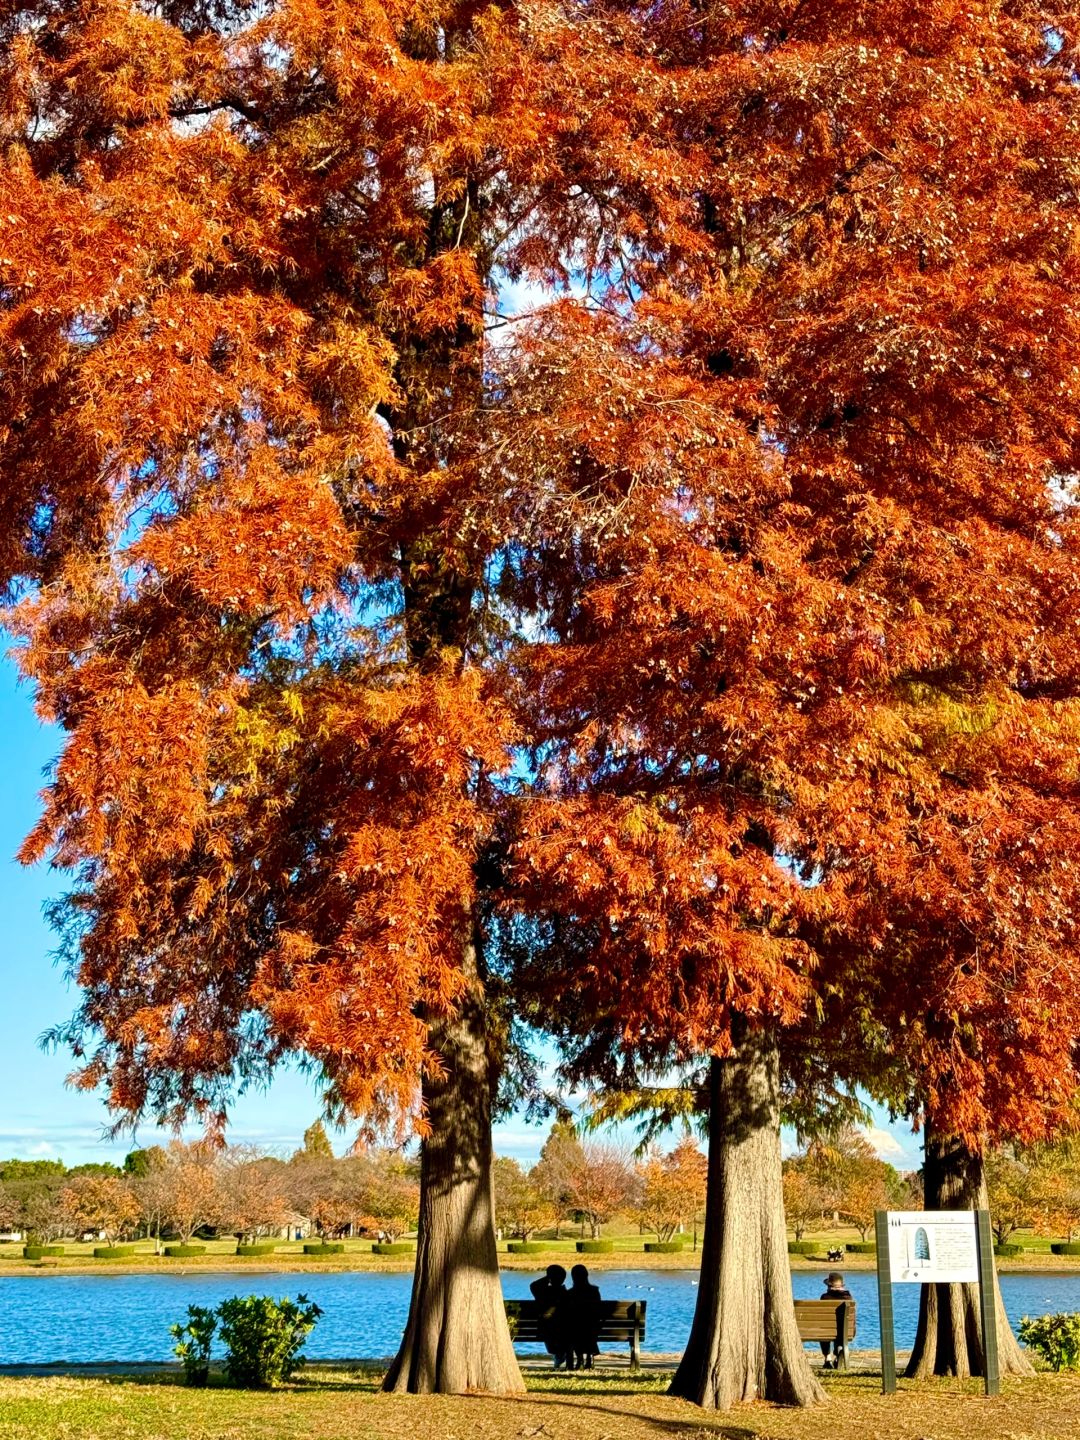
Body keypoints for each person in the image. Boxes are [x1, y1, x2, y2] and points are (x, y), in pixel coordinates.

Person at [563, 1263, 603, 1371]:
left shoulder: (570, 1293)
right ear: (586, 1275)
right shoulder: (594, 1291)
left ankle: (580, 1358)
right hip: (592, 1329)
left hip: (575, 1330)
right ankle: (589, 1358)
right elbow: (598, 1311)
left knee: (574, 1327)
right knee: (588, 1325)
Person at [530, 1264, 569, 1368]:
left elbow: (533, 1285)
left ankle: (558, 1354)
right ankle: (560, 1353)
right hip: (566, 1331)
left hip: (546, 1330)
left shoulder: (543, 1293)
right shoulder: (567, 1294)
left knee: (548, 1326)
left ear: (550, 1278)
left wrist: (548, 1278)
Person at [819, 1271, 855, 1369]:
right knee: (839, 1327)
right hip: (846, 1332)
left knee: (824, 1329)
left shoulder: (824, 1297)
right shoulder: (849, 1298)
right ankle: (837, 1353)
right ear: (842, 1285)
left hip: (826, 1331)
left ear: (829, 1286)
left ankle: (827, 1358)